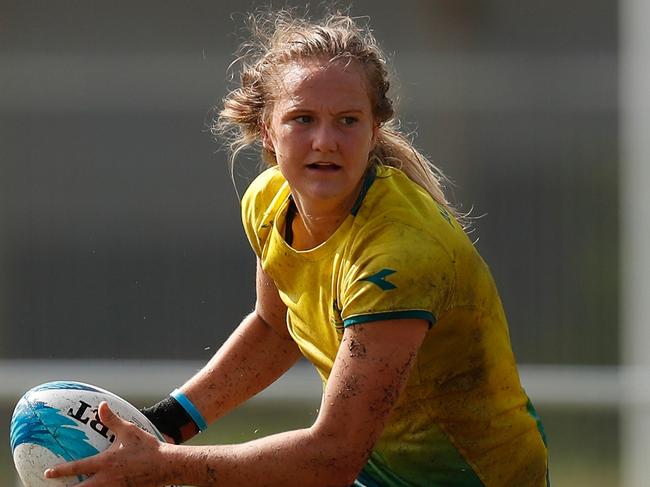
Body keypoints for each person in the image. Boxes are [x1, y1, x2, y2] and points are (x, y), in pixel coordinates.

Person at [46, 9, 549, 487]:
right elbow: (275, 326)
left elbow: (330, 456)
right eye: (302, 118)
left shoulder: (399, 257)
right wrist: (163, 427)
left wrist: (162, 465)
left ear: (375, 130)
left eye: (348, 121)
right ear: (268, 129)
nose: (325, 141)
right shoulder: (269, 201)